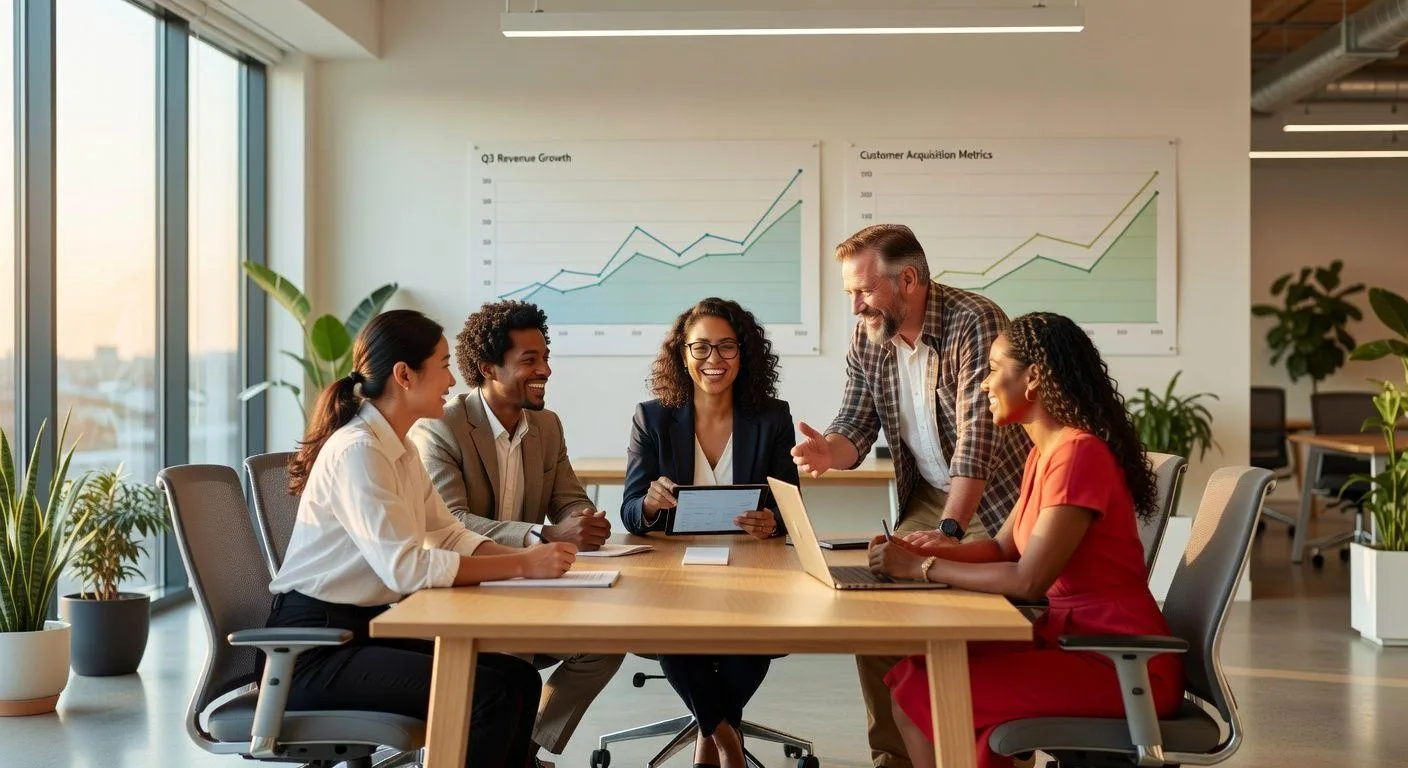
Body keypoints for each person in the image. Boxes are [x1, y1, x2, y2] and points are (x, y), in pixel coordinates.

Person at [868, 312, 1185, 768]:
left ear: (1032, 377)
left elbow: (1029, 579)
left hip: (1119, 663)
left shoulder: (1078, 455)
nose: (984, 384)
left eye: (995, 369)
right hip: (1074, 642)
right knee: (914, 676)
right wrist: (928, 547)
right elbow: (1001, 549)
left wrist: (922, 569)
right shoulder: (1045, 453)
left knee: (930, 691)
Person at [265, 309, 578, 768]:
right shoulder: (359, 451)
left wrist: (528, 560)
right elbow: (408, 567)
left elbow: (448, 532)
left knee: (518, 678)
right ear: (404, 375)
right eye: (444, 364)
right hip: (313, 651)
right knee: (487, 695)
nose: (453, 380)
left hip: (363, 632)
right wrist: (522, 564)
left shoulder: (401, 446)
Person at [789, 223, 1030, 768]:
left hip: (994, 501)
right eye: (850, 292)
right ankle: (894, 759)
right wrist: (831, 451)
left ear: (910, 280)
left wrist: (945, 536)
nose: (855, 306)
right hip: (926, 494)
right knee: (874, 612)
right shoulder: (870, 335)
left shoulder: (975, 321)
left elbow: (978, 443)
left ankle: (998, 756)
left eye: (864, 291)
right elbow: (856, 421)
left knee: (970, 623)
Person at [410, 300, 622, 760]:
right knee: (512, 661)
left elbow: (568, 498)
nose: (545, 370)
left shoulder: (546, 426)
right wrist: (542, 536)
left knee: (605, 646)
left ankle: (525, 747)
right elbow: (451, 523)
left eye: (545, 358)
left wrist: (584, 521)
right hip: (461, 592)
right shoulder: (442, 427)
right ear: (488, 367)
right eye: (529, 361)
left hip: (525, 586)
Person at [621, 297, 798, 768]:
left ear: (745, 353)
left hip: (750, 566)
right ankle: (724, 735)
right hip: (675, 570)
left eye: (726, 347)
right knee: (673, 634)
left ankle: (709, 731)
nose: (714, 360)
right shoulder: (653, 417)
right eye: (701, 348)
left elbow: (787, 502)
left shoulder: (772, 416)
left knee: (752, 637)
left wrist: (772, 521)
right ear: (683, 354)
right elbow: (630, 511)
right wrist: (652, 506)